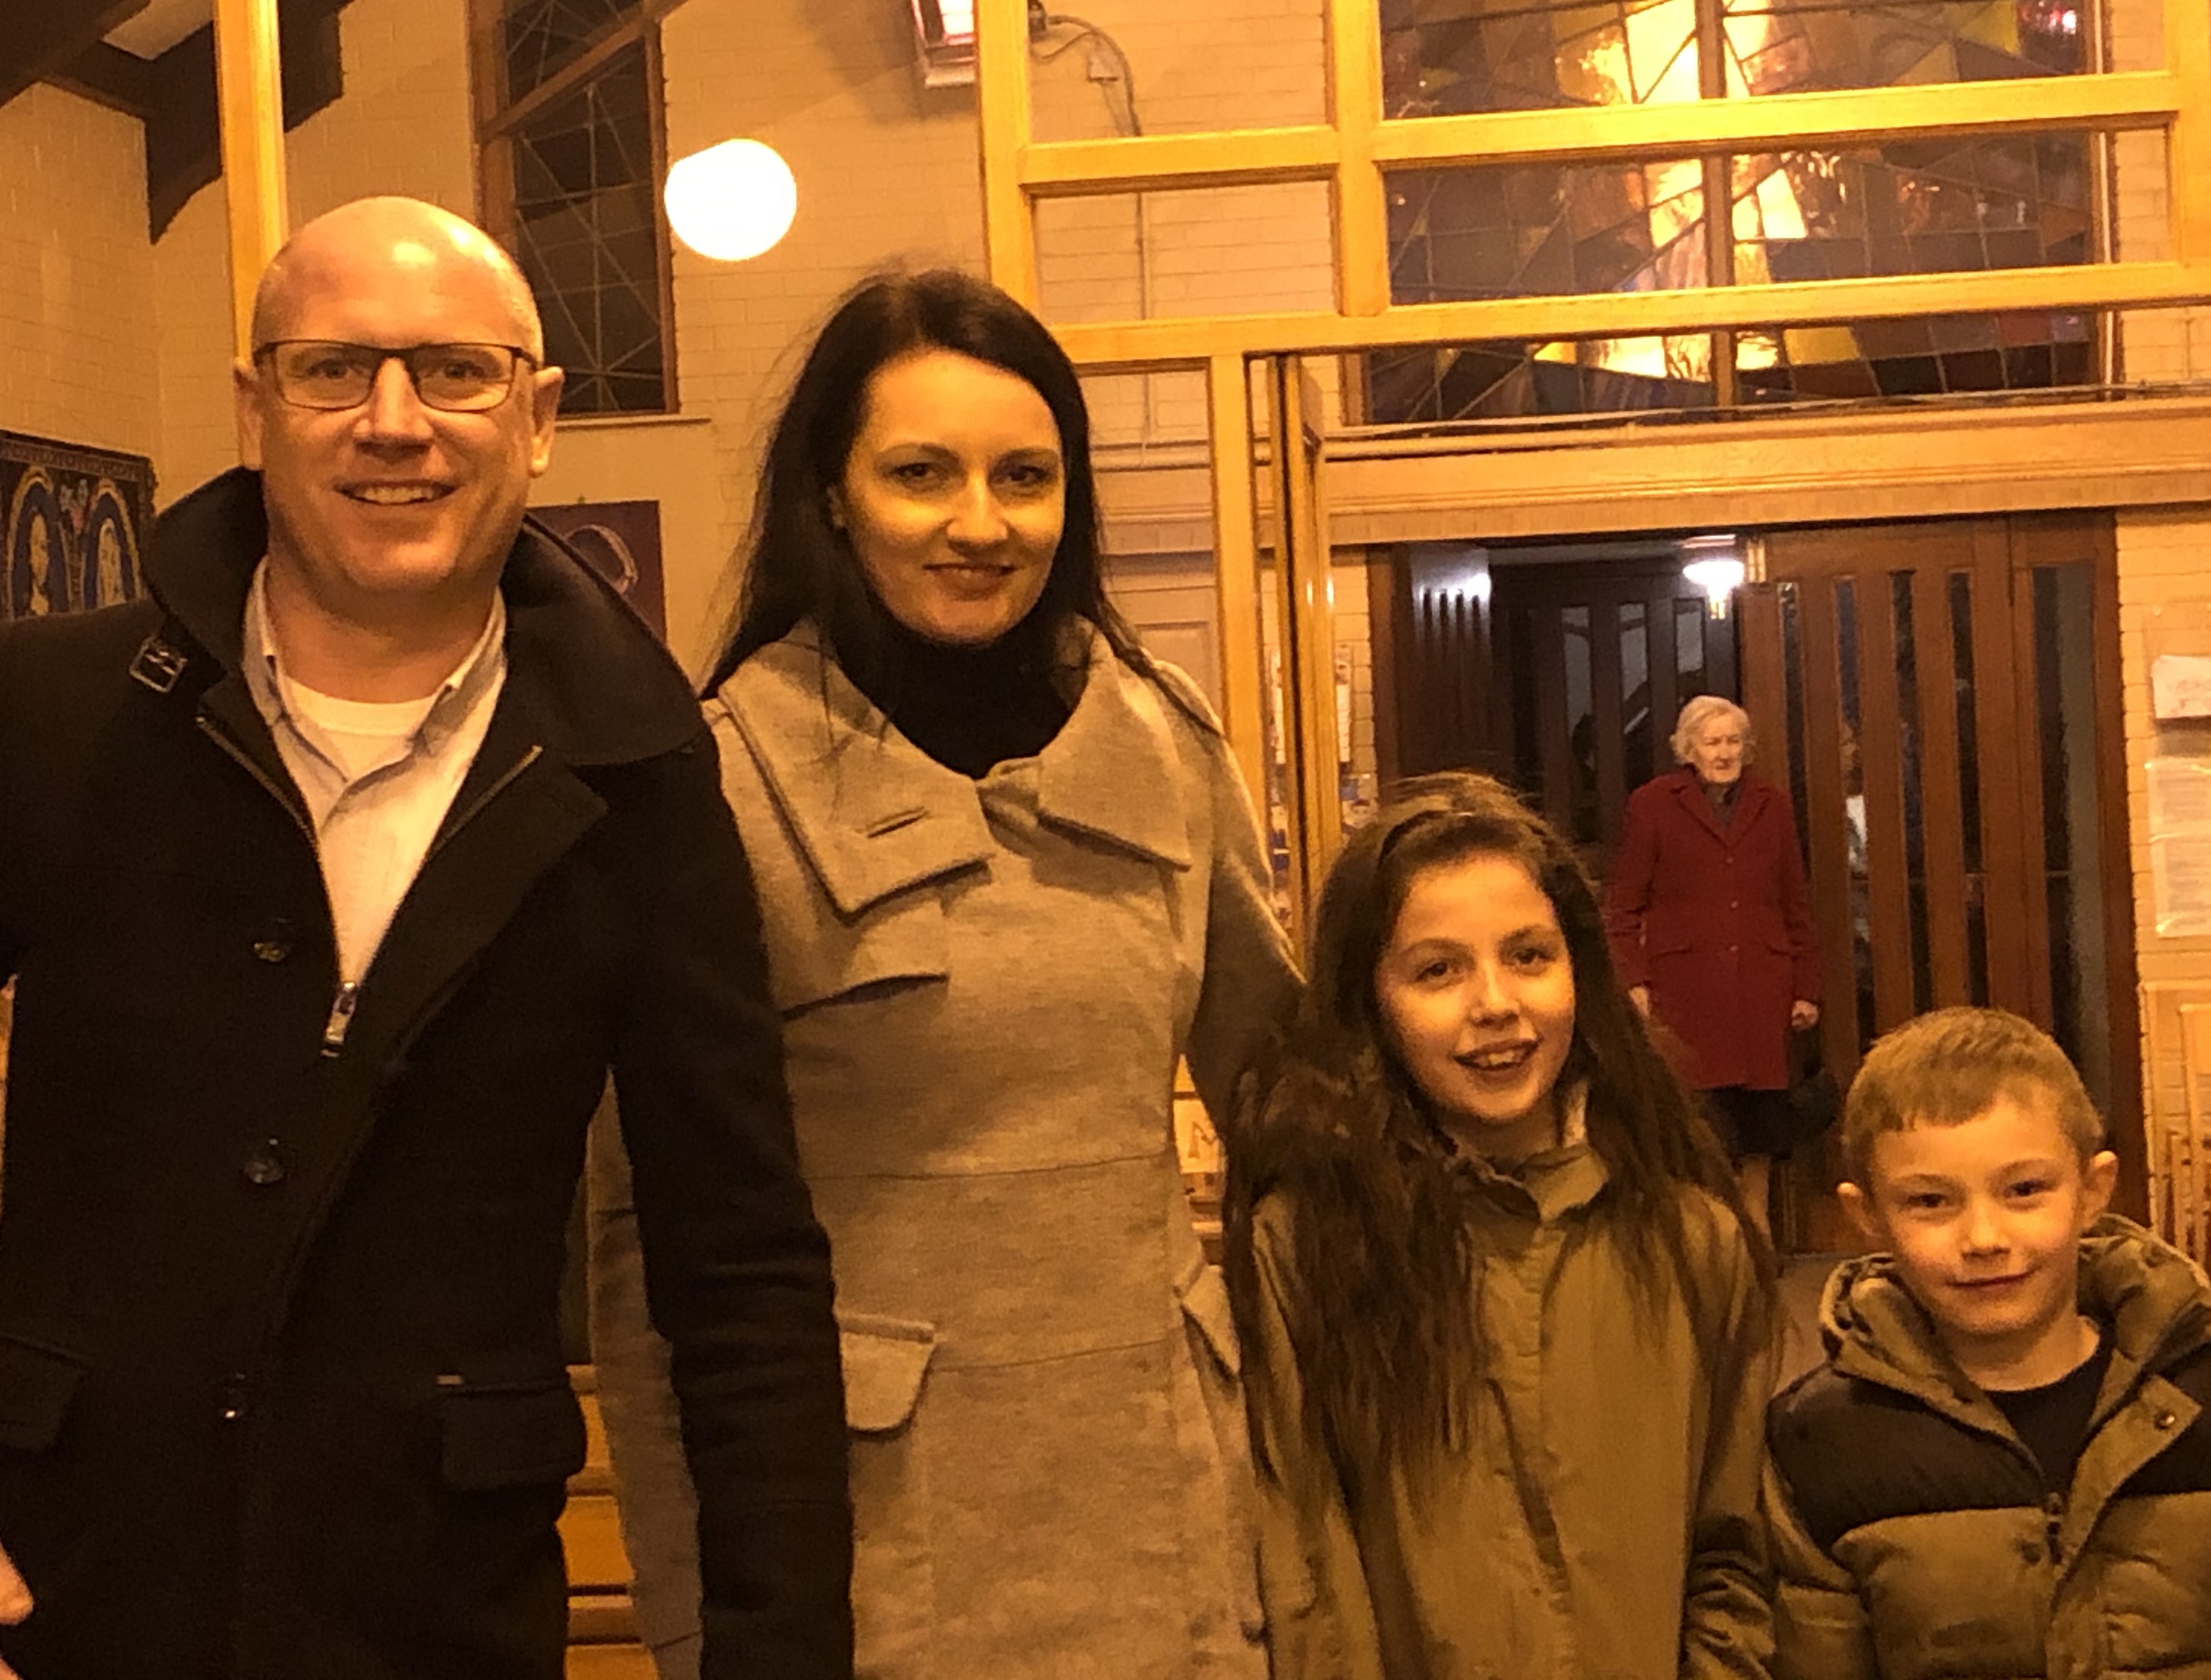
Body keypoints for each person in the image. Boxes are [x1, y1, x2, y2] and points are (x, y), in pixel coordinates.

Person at [0, 197, 849, 1680]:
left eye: (456, 371)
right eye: (335, 370)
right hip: (72, 1597)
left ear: (540, 417)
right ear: (255, 411)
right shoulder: (53, 712)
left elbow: (739, 1269)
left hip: (438, 1609)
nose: (394, 424)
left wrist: (779, 1653)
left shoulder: (637, 773)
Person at [588, 269, 1299, 1680]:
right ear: (833, 495)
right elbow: (647, 1253)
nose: (982, 523)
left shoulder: (1165, 741)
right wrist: (701, 1619)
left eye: (1026, 476)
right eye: (922, 473)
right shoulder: (720, 783)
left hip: (1174, 1524)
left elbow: (1297, 1122)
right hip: (867, 1558)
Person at [1225, 771, 1778, 1680]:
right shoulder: (1307, 1247)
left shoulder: (1688, 1240)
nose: (1495, 1004)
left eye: (1528, 955)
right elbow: (1306, 1581)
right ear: (1372, 1001)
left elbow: (1733, 1552)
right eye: (1437, 970)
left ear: (1580, 971)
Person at [1765, 1007, 2211, 1680]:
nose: (1984, 1238)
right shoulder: (1820, 1442)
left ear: (2093, 1190)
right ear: (1866, 1215)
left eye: (2024, 1190)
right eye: (1930, 1202)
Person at [1605, 694, 1822, 1237]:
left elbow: (1794, 903)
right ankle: (1713, 1241)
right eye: (1712, 742)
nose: (1724, 753)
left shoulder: (1772, 804)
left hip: (1761, 988)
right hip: (1686, 993)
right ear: (1688, 749)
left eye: (1733, 742)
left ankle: (1758, 1238)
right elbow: (1623, 908)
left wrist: (1806, 988)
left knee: (1761, 1127)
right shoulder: (1653, 804)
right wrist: (1635, 982)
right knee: (1701, 1122)